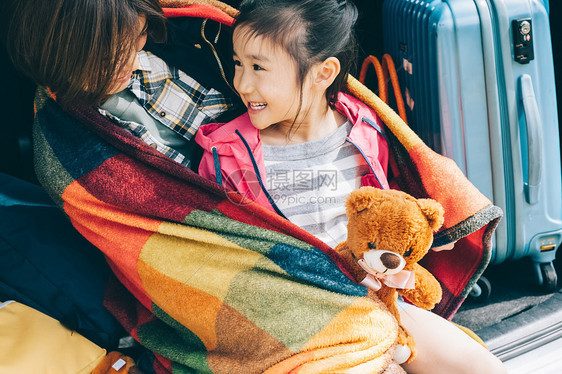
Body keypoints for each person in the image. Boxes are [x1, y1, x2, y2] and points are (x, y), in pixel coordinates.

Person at [195, 0, 508, 373]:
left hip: (381, 299)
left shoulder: (363, 129)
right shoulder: (226, 154)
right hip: (299, 323)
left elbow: (388, 215)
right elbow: (221, 262)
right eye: (238, 63)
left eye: (258, 67)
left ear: (322, 73)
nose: (242, 83)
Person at [3, 0, 237, 170]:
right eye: (108, 60)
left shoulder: (185, 40)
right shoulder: (68, 144)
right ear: (55, 57)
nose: (133, 62)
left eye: (140, 36)